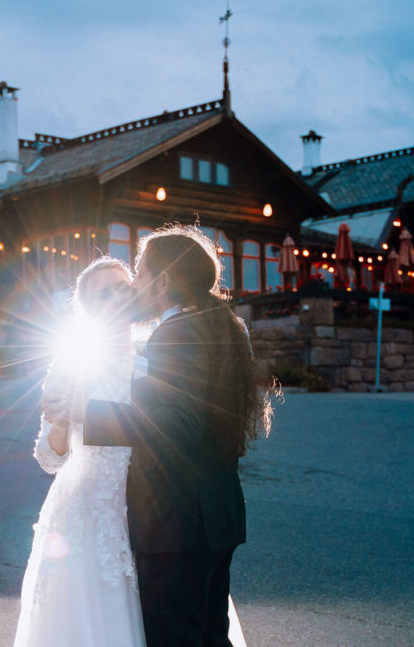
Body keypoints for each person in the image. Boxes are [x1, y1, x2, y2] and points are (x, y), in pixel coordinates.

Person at [67, 225, 271, 646]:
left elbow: (181, 425)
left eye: (139, 275)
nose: (134, 286)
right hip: (213, 514)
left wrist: (92, 415)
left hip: (176, 523)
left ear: (162, 283)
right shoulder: (219, 324)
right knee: (211, 635)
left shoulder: (174, 334)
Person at [14, 256, 146, 646]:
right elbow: (48, 458)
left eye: (123, 288)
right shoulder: (73, 361)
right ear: (87, 309)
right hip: (85, 511)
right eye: (105, 292)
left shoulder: (153, 358)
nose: (117, 297)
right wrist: (59, 421)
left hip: (147, 504)